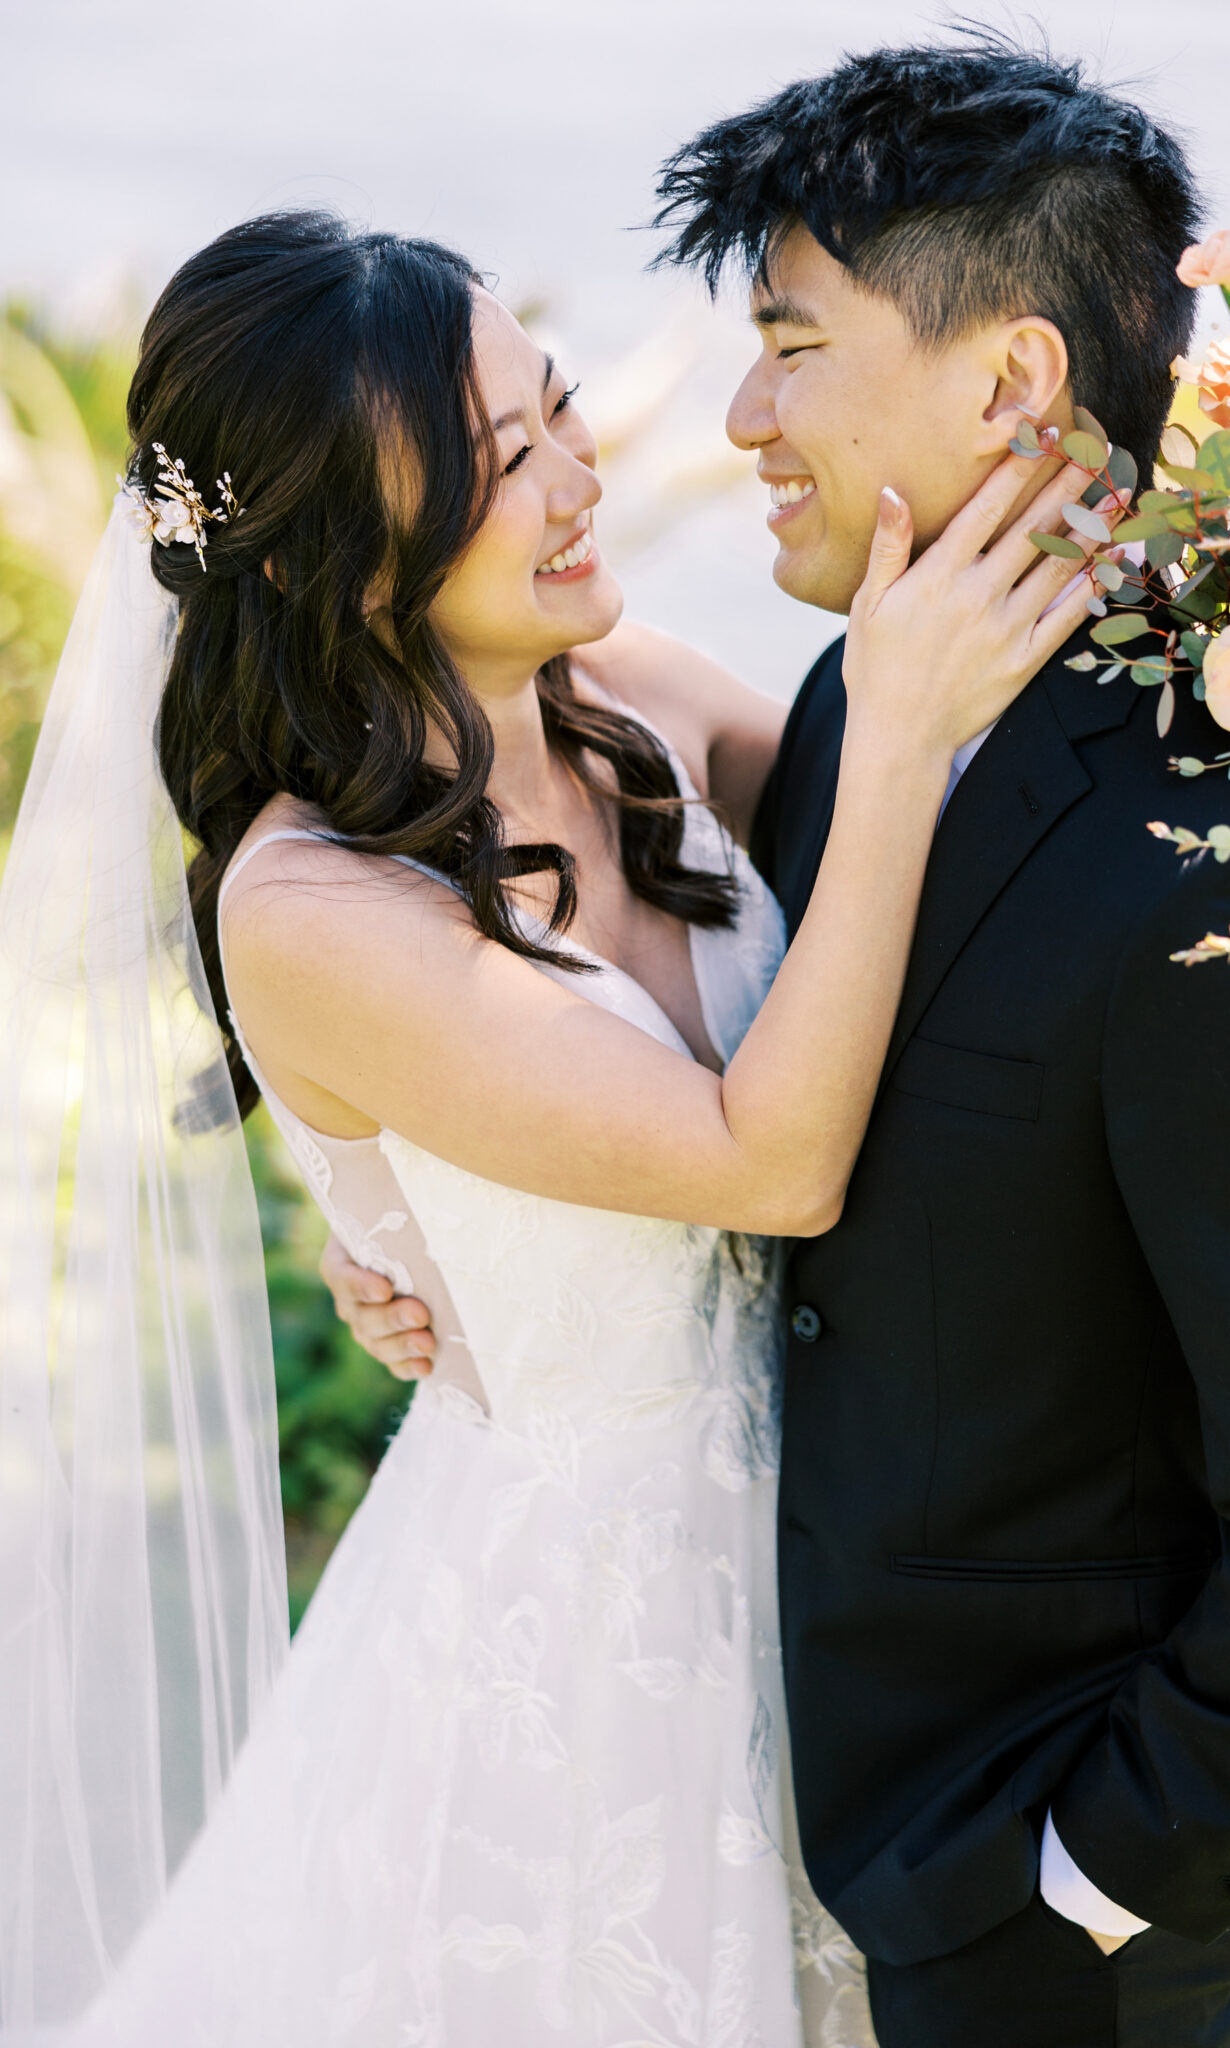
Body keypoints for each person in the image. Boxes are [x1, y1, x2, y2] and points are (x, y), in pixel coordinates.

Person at [327, 36, 1230, 2048]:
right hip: (765, 1795)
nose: (736, 415)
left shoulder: (1222, 850)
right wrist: (429, 1211)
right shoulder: (843, 711)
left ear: (1005, 385)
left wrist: (1105, 1873)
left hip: (1043, 1891)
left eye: (788, 344)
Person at [0, 206, 1120, 2047]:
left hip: (849, 1563)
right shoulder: (313, 912)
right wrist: (898, 731)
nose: (578, 477)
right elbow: (770, 1158)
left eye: (557, 410)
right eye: (502, 464)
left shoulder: (633, 702)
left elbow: (955, 903)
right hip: (586, 1646)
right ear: (346, 557)